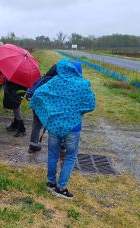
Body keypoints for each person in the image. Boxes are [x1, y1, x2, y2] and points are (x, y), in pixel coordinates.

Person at [30, 59, 95, 199]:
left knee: (53, 154)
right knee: (70, 157)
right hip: (73, 126)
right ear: (78, 71)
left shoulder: (55, 82)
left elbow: (38, 94)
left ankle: (50, 182)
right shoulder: (83, 84)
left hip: (54, 125)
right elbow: (90, 105)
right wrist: (78, 111)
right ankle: (61, 187)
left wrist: (49, 111)